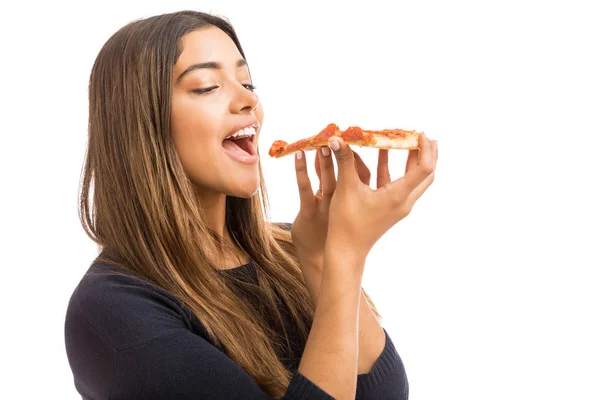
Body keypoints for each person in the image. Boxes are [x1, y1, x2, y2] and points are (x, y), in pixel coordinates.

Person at [64, 10, 438, 400]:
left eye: (247, 81)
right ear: (142, 123)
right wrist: (345, 257)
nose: (249, 100)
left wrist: (320, 259)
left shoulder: (290, 247)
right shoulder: (111, 311)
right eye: (208, 86)